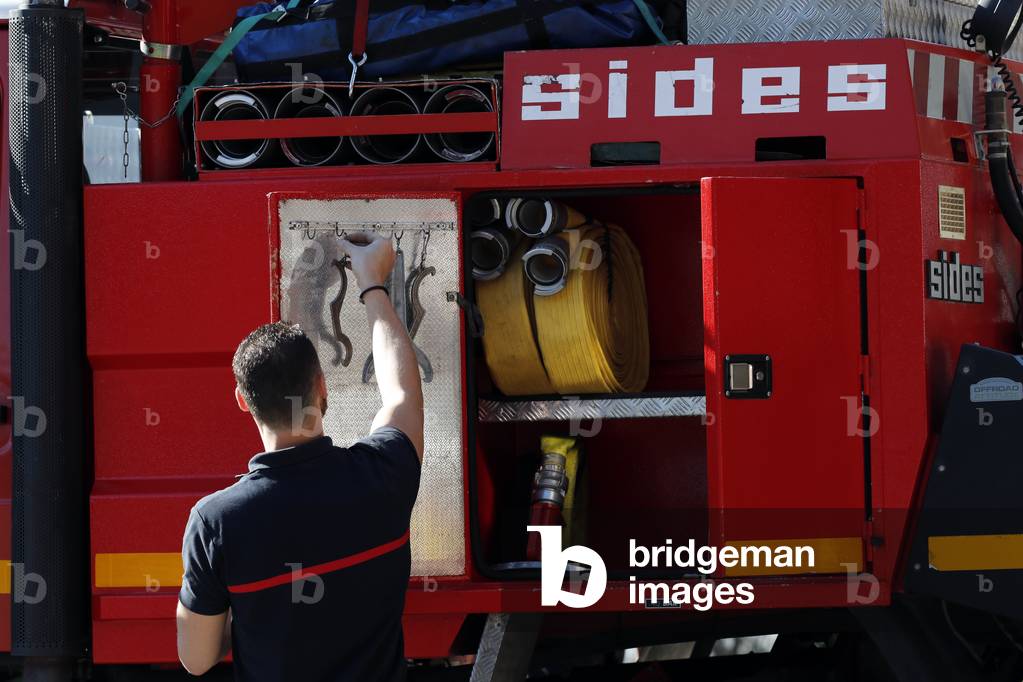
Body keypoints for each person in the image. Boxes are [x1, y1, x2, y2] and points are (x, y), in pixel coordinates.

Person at [175, 232, 423, 681]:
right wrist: (372, 283)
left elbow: (196, 658)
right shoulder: (384, 475)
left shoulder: (216, 523)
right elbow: (402, 391)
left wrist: (250, 607)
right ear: (322, 387)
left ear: (242, 401)